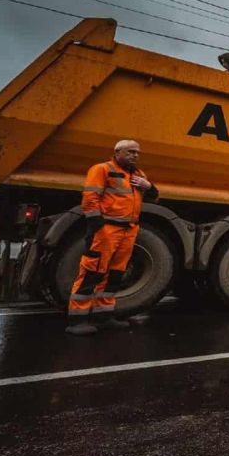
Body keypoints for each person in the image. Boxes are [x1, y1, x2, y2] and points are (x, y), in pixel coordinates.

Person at [66, 140, 158, 336]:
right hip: (107, 228)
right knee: (92, 271)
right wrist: (97, 227)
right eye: (130, 152)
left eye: (137, 153)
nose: (135, 156)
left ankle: (104, 316)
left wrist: (148, 186)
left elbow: (154, 197)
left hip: (129, 229)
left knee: (115, 274)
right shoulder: (102, 169)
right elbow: (90, 199)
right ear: (117, 152)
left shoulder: (139, 175)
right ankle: (77, 319)